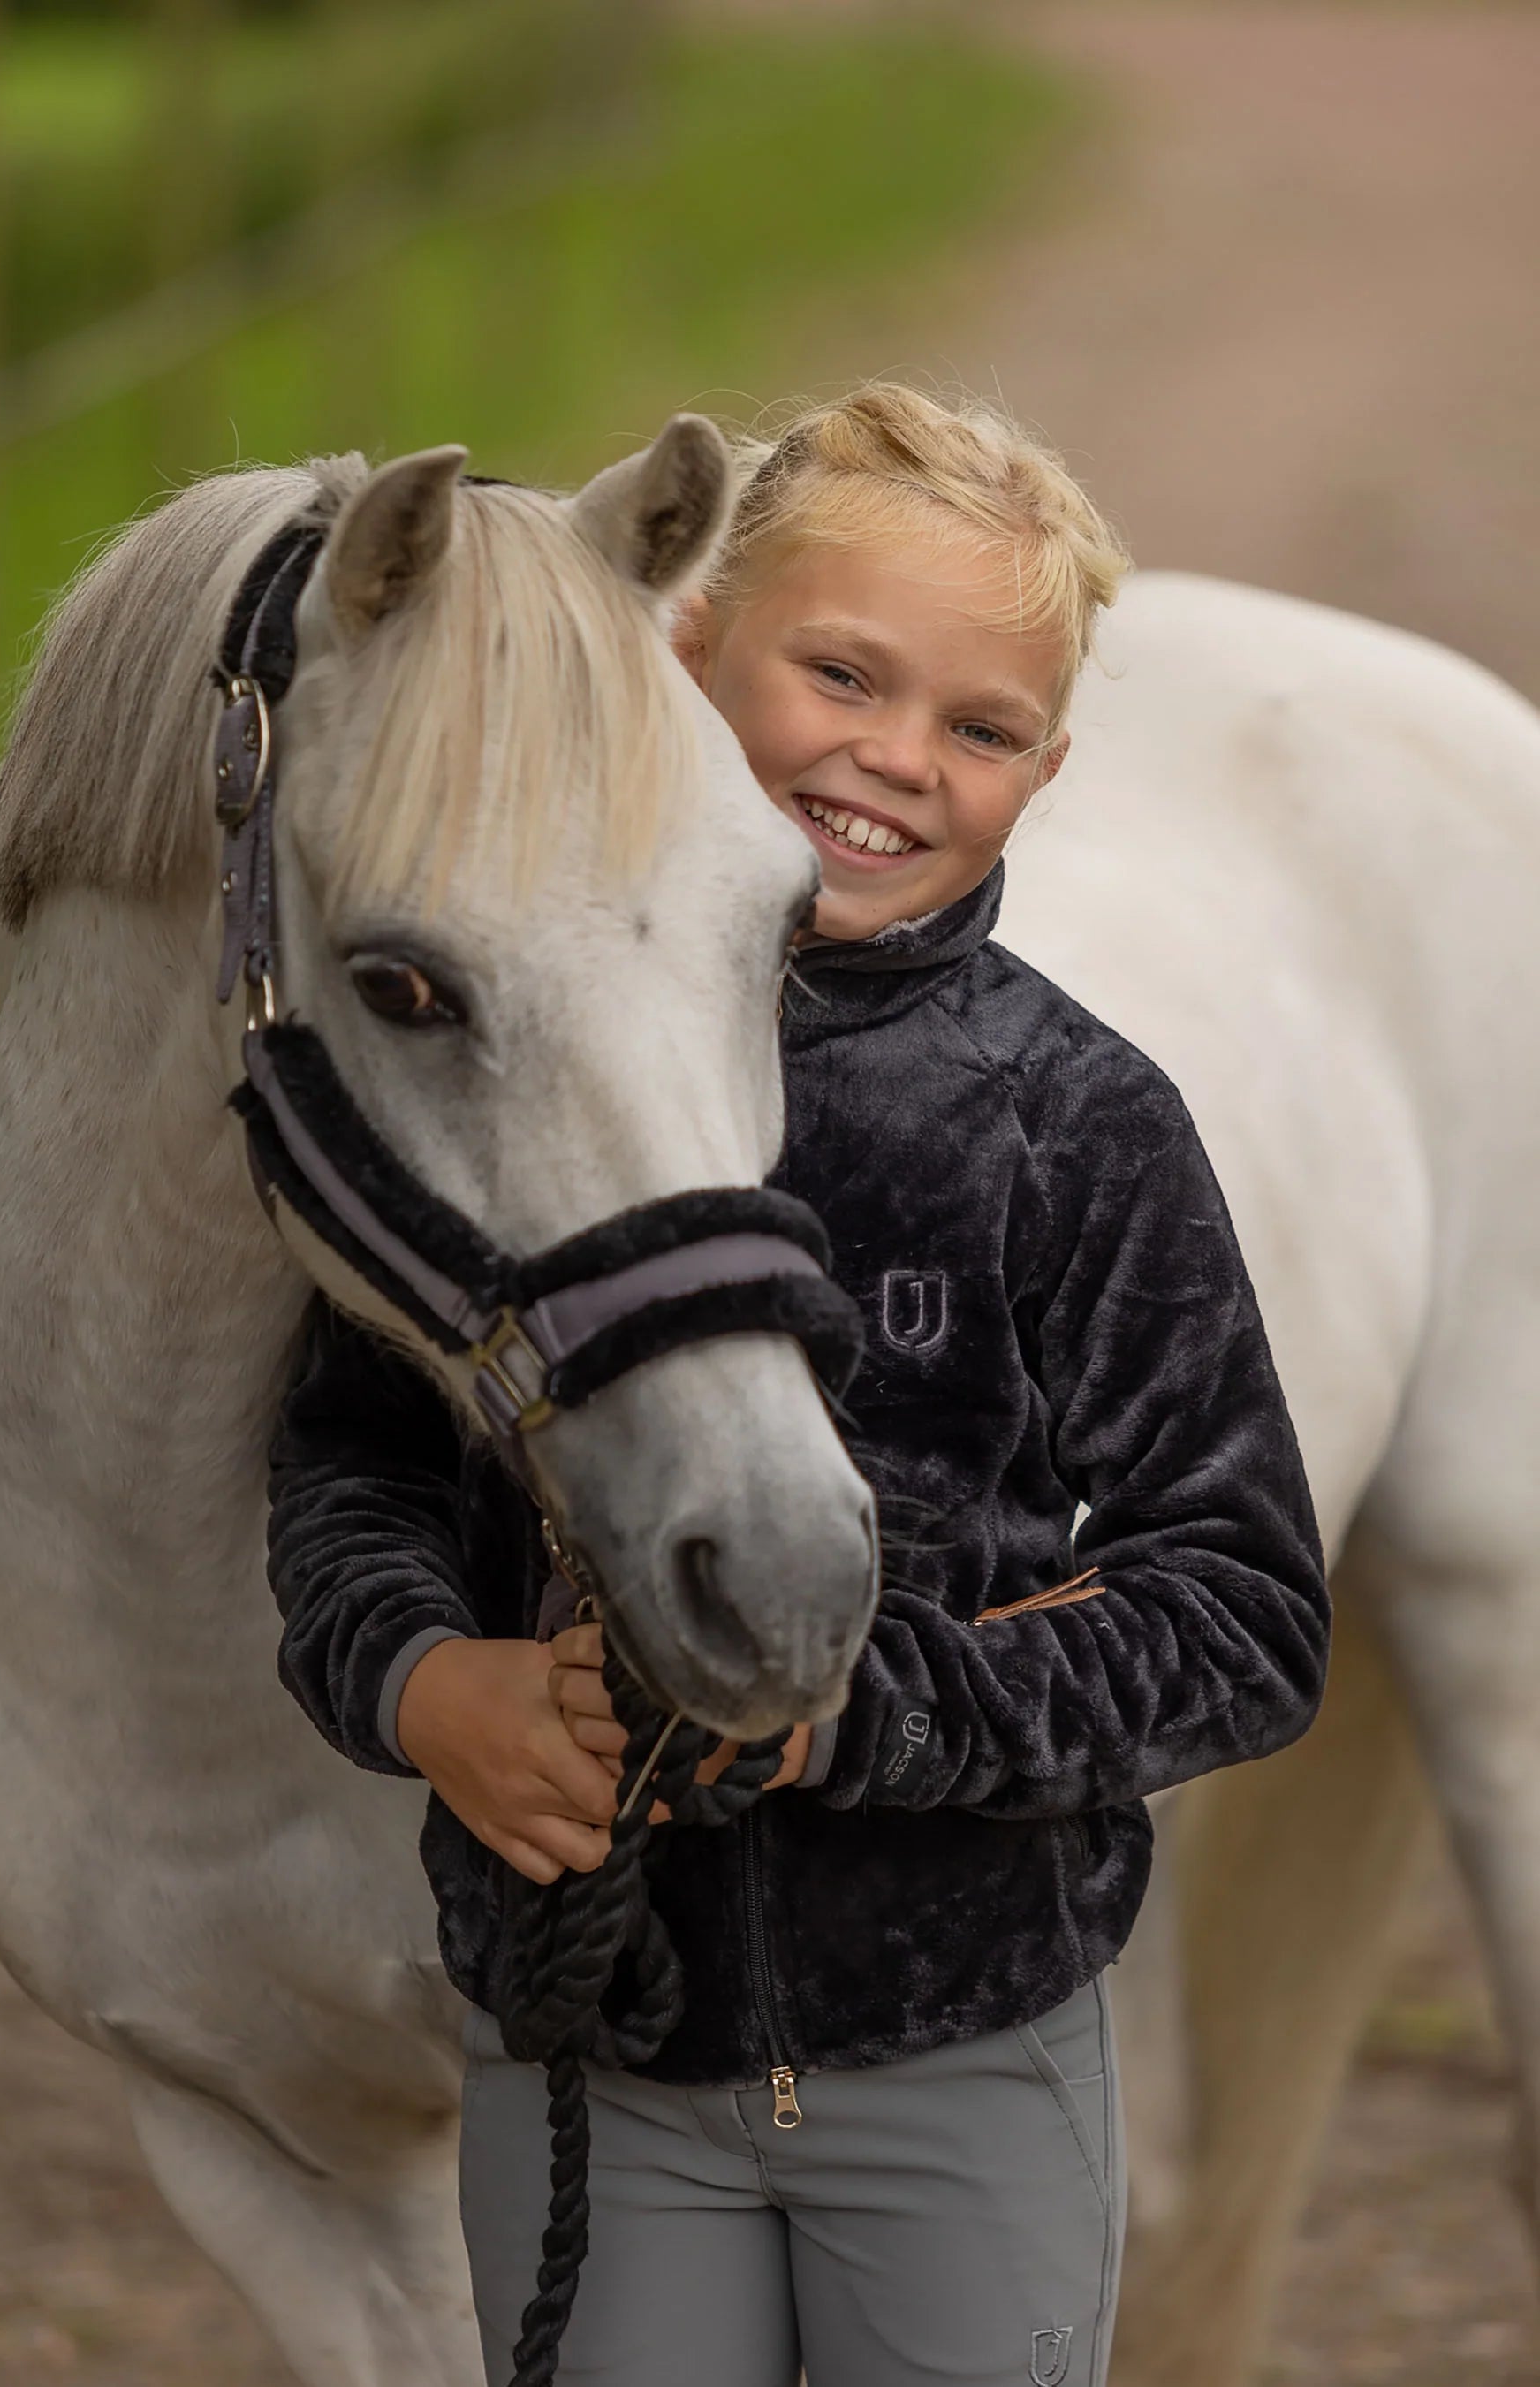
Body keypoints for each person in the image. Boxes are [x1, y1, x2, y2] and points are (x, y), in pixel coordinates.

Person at [268, 384, 1329, 2387]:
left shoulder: (1072, 1122)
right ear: (687, 649)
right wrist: (431, 1685)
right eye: (841, 673)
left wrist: (869, 1711)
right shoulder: (525, 1054)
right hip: (595, 2049)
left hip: (966, 2052)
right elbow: (352, 1462)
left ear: (1049, 766)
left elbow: (1246, 1613)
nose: (894, 760)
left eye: (982, 726)